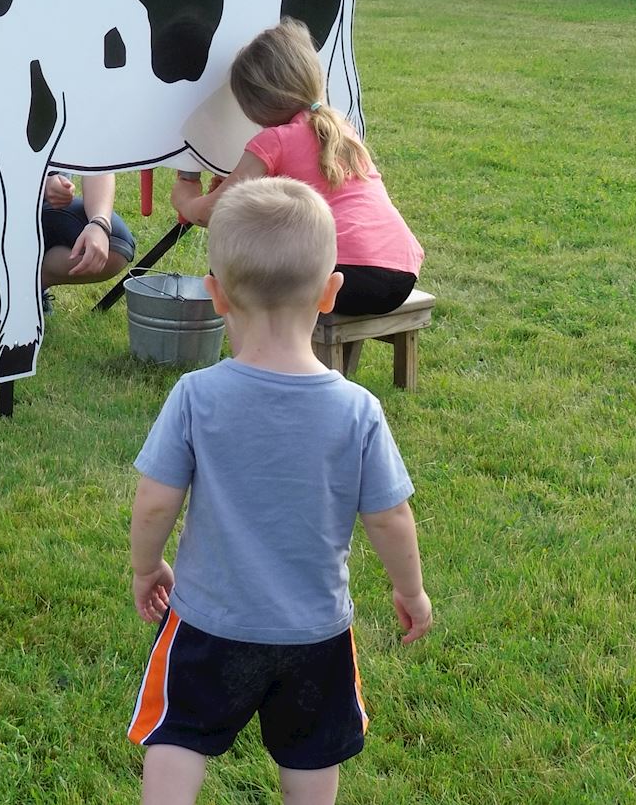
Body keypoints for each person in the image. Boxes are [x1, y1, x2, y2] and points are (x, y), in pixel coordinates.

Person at [128, 177, 431, 805]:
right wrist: (410, 589)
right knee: (311, 750)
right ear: (330, 292)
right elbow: (391, 516)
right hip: (314, 631)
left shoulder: (196, 396)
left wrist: (145, 566)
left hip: (209, 620)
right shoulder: (358, 411)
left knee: (179, 734)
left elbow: (157, 498)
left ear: (215, 295)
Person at [171, 19, 422, 317]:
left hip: (341, 275)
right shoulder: (339, 129)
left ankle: (265, 354)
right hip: (400, 274)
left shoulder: (275, 139)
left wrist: (185, 198)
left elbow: (213, 212)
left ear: (254, 103)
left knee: (235, 264)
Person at [0, 152, 137, 358]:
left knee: (114, 246)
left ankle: (25, 292)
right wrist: (38, 184)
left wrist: (99, 223)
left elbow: (96, 156)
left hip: (42, 211)